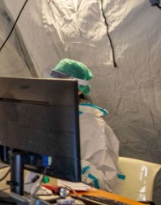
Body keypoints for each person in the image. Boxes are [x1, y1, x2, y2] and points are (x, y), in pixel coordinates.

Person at [49, 58, 120, 192]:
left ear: (79, 90)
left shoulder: (92, 126)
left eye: (61, 83)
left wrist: (63, 164)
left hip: (85, 199)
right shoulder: (57, 118)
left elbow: (105, 183)